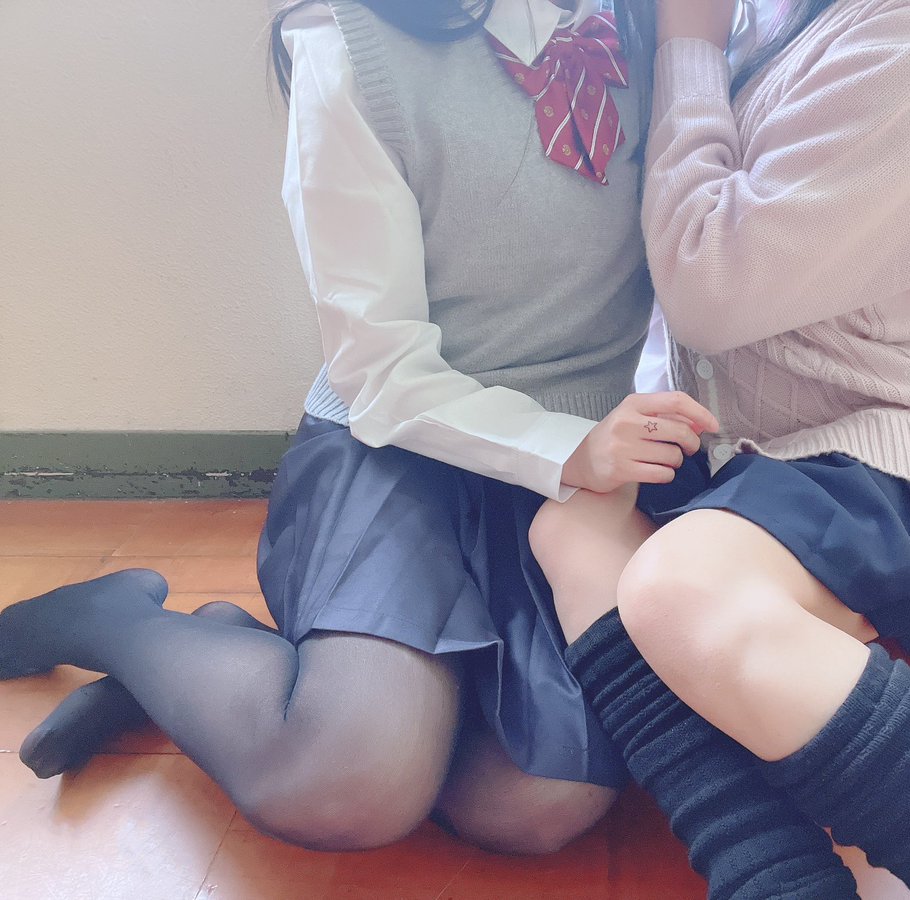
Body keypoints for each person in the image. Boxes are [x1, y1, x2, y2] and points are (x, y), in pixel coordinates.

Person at [1, 0, 726, 856]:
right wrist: (568, 449)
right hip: (400, 447)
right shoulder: (346, 42)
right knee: (348, 784)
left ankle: (249, 680)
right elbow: (379, 367)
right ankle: (119, 624)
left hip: (583, 474)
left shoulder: (664, 23)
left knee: (538, 804)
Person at [530, 0, 910, 897]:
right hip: (748, 449)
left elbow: (709, 286)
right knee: (572, 524)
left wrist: (688, 41)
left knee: (678, 588)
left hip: (902, 444)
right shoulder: (772, 14)